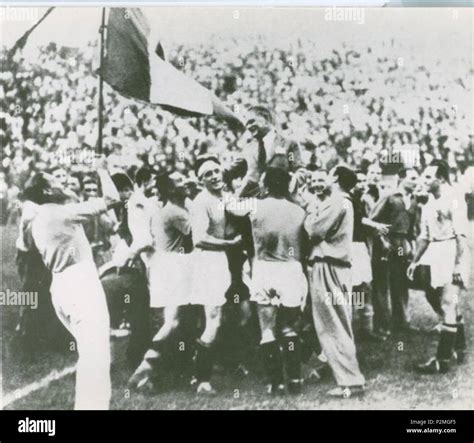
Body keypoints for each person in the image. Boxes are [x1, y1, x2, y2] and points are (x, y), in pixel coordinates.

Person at [28, 156, 121, 410]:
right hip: (80, 283)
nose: (63, 182)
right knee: (97, 357)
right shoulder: (61, 212)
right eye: (55, 180)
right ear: (47, 190)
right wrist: (103, 171)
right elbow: (113, 200)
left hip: (62, 286)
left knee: (91, 354)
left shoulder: (42, 216)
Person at [128, 171, 193, 390]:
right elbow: (199, 233)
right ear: (171, 190)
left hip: (163, 266)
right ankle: (144, 369)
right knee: (172, 322)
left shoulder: (168, 209)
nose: (187, 182)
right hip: (174, 266)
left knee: (171, 321)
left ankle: (153, 374)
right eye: (181, 181)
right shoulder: (175, 212)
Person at [304, 166, 365, 398]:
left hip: (328, 264)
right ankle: (351, 379)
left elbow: (314, 230)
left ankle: (349, 381)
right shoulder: (344, 201)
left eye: (329, 174)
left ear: (336, 178)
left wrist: (310, 209)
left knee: (331, 325)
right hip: (338, 266)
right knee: (339, 322)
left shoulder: (337, 200)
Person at [248, 167, 308, 394]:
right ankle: (295, 380)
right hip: (291, 269)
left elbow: (231, 205)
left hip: (265, 268)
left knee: (267, 330)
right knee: (289, 328)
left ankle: (276, 383)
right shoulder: (298, 211)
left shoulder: (255, 207)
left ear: (266, 184)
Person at [408, 160, 469, 373]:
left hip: (451, 252)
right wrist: (415, 261)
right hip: (434, 254)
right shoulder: (428, 204)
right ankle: (459, 346)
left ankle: (441, 361)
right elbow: (424, 237)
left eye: (428, 177)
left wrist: (458, 266)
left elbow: (461, 236)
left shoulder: (454, 199)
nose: (423, 181)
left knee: (447, 303)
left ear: (441, 178)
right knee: (433, 297)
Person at [189, 156, 242, 395]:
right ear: (201, 180)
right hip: (208, 262)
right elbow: (199, 238)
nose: (214, 176)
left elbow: (242, 207)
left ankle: (203, 372)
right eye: (208, 173)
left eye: (217, 171)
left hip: (221, 261)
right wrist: (229, 243)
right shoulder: (202, 201)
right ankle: (202, 380)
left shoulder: (224, 196)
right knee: (213, 319)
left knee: (225, 316)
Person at [368, 167, 419, 336]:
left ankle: (402, 322)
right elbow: (372, 221)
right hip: (386, 243)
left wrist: (410, 243)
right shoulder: (389, 196)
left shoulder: (414, 199)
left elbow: (412, 226)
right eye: (412, 178)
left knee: (401, 282)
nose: (415, 181)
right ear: (401, 178)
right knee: (382, 284)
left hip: (402, 244)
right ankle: (382, 325)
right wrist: (382, 239)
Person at [238, 106, 303, 197]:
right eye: (246, 124)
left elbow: (298, 169)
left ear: (266, 119)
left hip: (282, 199)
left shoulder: (288, 144)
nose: (248, 127)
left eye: (251, 121)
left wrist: (292, 182)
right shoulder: (249, 149)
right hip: (257, 204)